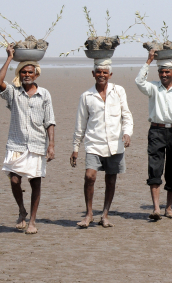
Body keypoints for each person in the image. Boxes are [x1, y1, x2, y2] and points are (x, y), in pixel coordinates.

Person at [0, 45, 56, 234]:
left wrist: (51, 145)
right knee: (14, 180)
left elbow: (50, 121)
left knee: (35, 182)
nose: (26, 75)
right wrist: (9, 57)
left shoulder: (44, 94)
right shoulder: (14, 93)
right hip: (16, 143)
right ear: (19, 74)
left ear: (36, 75)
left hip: (37, 143)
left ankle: (32, 220)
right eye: (23, 72)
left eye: (30, 72)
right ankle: (21, 210)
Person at [71, 59, 133, 228]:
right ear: (93, 74)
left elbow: (126, 115)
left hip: (115, 143)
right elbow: (80, 123)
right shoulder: (86, 96)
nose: (102, 75)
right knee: (89, 176)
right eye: (98, 72)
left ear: (110, 75)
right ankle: (89, 213)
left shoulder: (119, 91)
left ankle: (105, 214)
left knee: (111, 180)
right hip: (94, 143)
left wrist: (127, 133)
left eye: (105, 72)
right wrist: (75, 147)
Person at [135, 49, 172, 220]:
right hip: (156, 131)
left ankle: (168, 208)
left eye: (167, 71)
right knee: (154, 168)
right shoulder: (153, 87)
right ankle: (156, 208)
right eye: (161, 72)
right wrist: (149, 61)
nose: (164, 74)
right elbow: (138, 81)